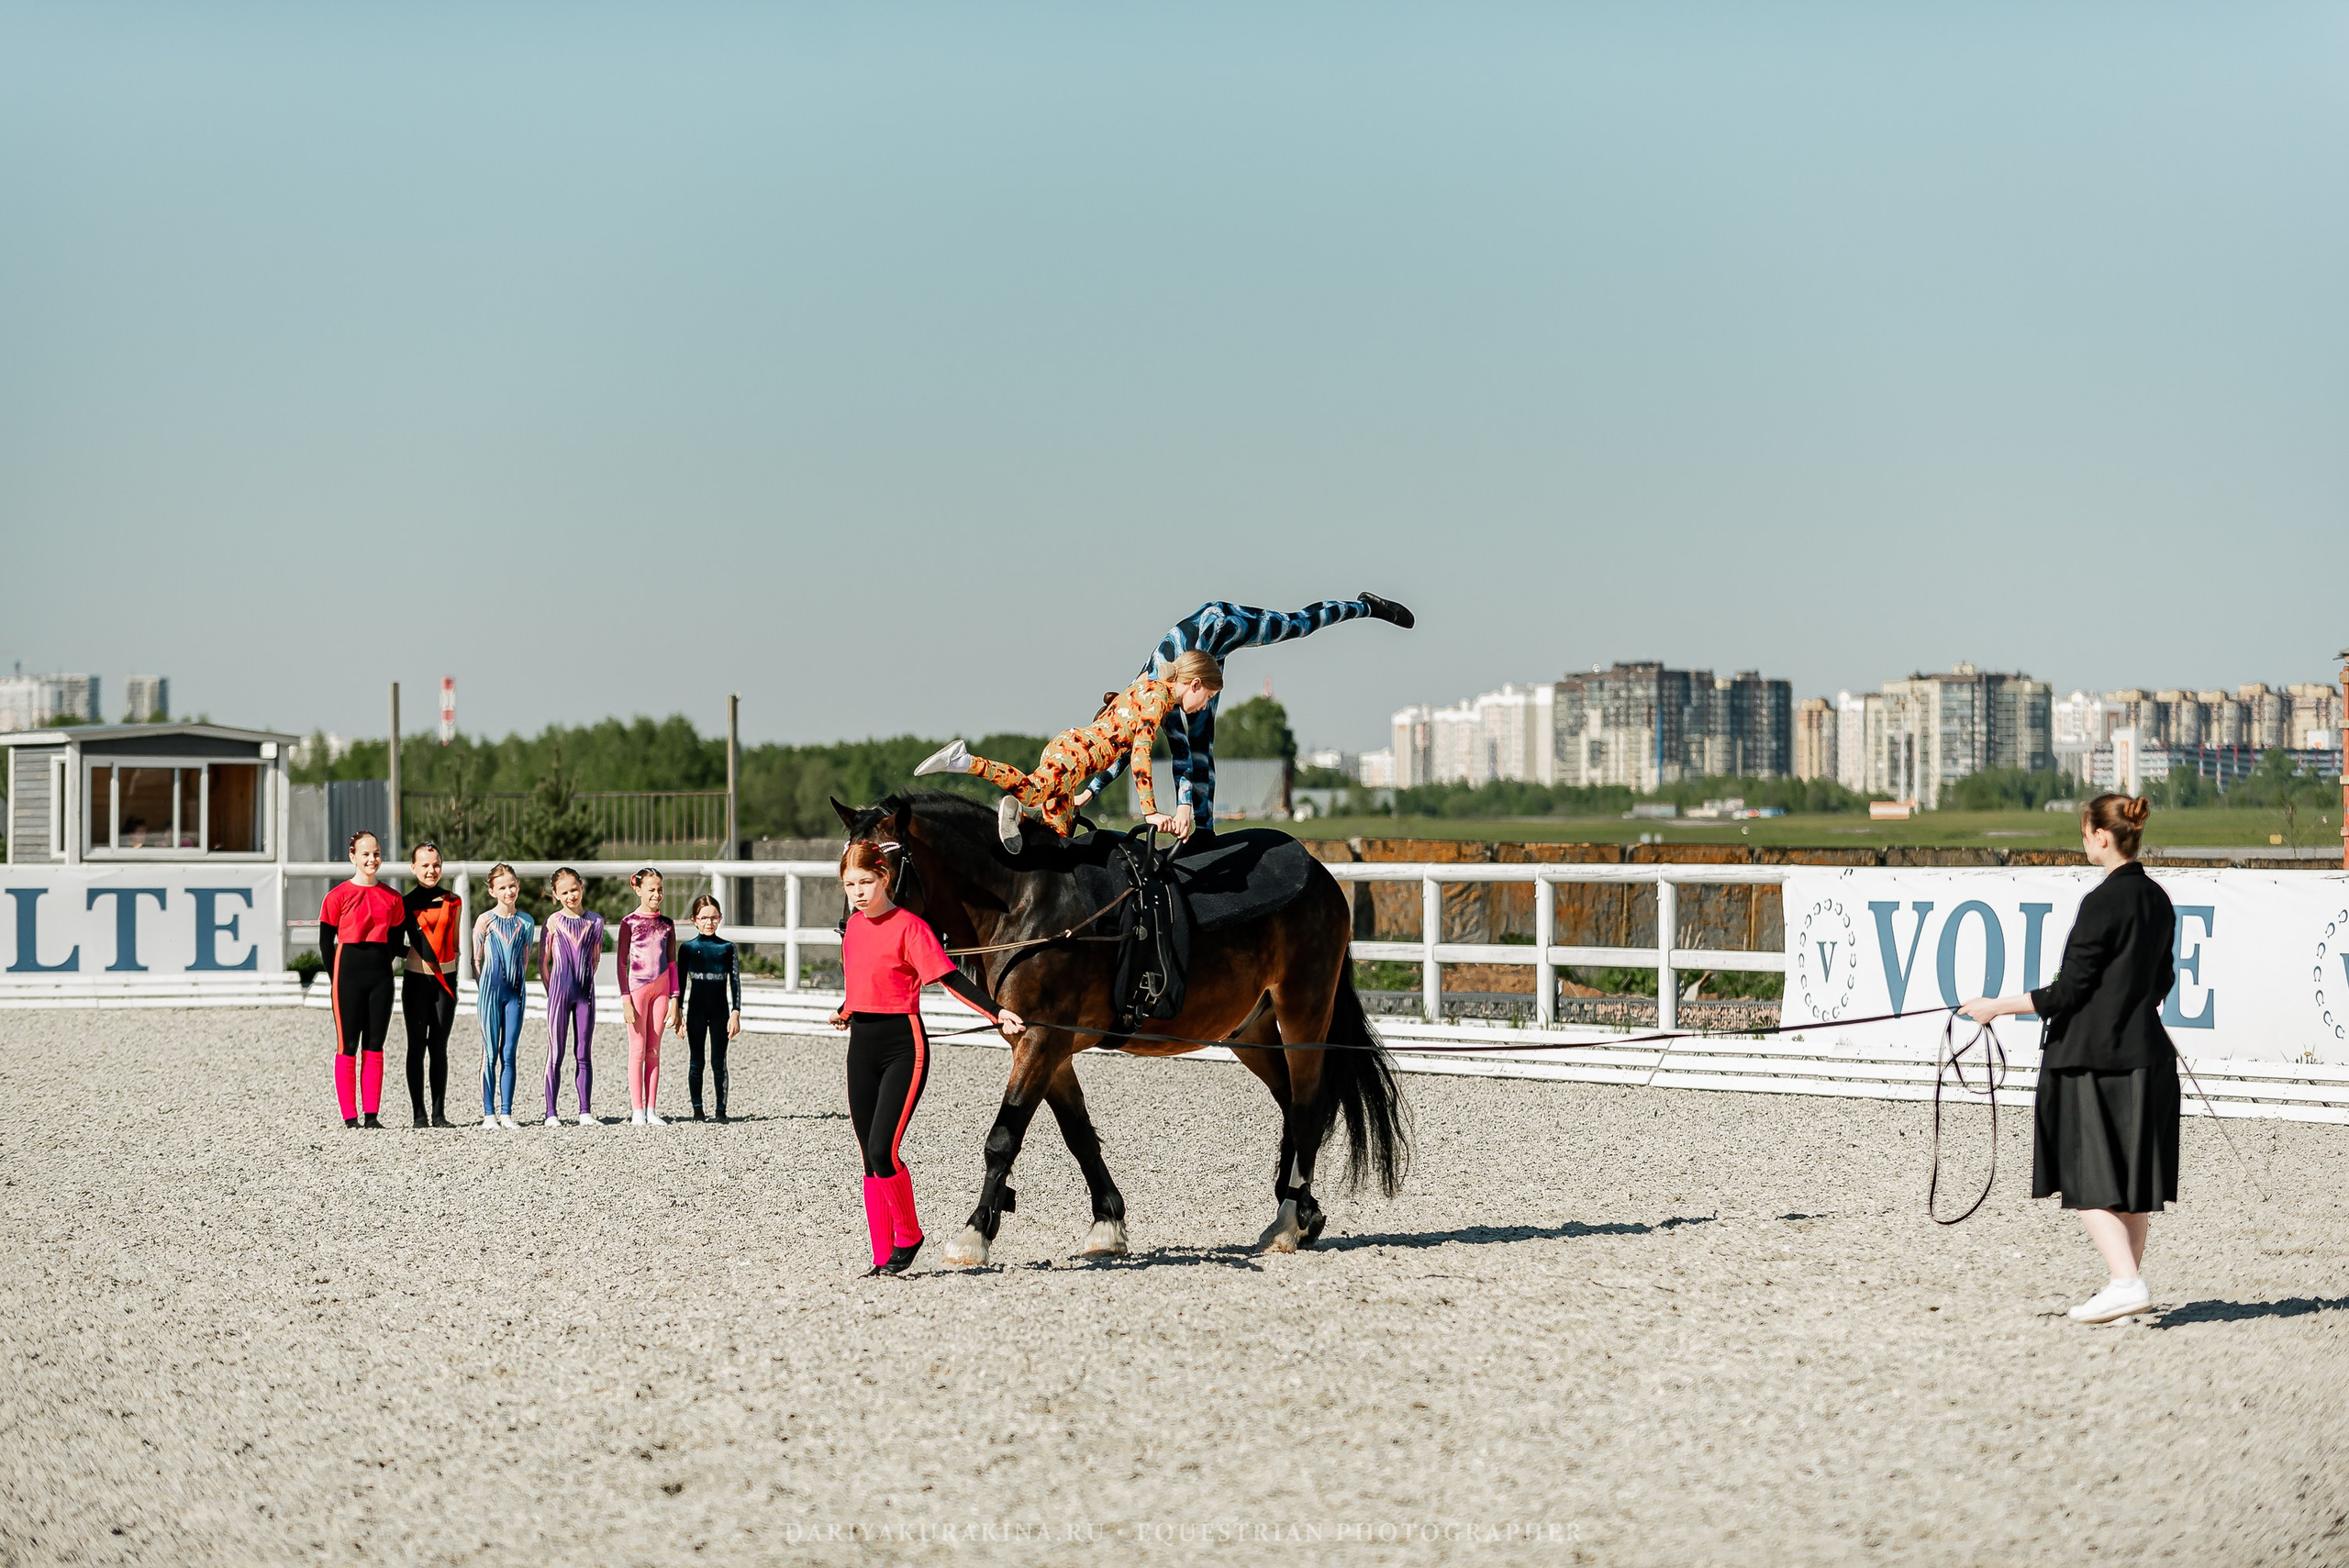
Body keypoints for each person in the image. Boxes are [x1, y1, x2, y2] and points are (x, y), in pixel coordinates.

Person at [1962, 794, 2178, 1325]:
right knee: (2132, 1184)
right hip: (2147, 1057)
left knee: (2086, 1178)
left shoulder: (2101, 901)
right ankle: (2124, 1286)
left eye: (2084, 833)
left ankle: (2126, 1283)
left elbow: (2067, 992)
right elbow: (2161, 982)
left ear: (2101, 836)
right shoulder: (2158, 899)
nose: (2084, 841)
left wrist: (1996, 1006)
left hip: (2091, 1060)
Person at [831, 841, 1024, 1275]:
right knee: (867, 1154)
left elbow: (950, 978)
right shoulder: (854, 928)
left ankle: (910, 1234)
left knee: (884, 1149)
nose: (858, 892)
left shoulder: (910, 927)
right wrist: (846, 1011)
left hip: (904, 1046)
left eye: (865, 882)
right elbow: (862, 978)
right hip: (861, 1045)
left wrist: (997, 1013)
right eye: (849, 885)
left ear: (885, 878)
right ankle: (882, 1259)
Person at [1072, 593, 1413, 837]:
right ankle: (1203, 834)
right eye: (1204, 699)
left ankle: (1366, 606)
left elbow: (1180, 755)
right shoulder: (1148, 698)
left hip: (1223, 624)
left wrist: (1183, 809)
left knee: (1300, 625)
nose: (1205, 706)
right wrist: (1089, 793)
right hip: (1197, 660)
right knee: (1200, 741)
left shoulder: (1169, 695)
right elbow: (1127, 746)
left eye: (1205, 700)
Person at [914, 651, 1222, 851]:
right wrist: (1151, 812)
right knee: (1032, 791)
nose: (1205, 706)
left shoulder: (1148, 687)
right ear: (1194, 684)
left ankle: (1020, 821)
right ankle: (965, 760)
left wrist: (1089, 793)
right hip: (1076, 756)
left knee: (1057, 842)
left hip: (1071, 752)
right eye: (1207, 697)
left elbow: (1123, 752)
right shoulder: (1157, 698)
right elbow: (1141, 752)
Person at [318, 829, 426, 1129]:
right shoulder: (337, 897)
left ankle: (372, 1116)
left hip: (381, 976)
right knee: (348, 1044)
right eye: (365, 854)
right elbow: (326, 943)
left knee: (375, 1044)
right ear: (352, 856)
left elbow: (395, 943)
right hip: (347, 975)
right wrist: (334, 978)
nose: (372, 859)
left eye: (376, 853)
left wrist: (425, 955)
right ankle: (350, 1118)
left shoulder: (392, 898)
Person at [400, 841, 463, 1129]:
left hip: (445, 983)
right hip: (415, 981)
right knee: (416, 1047)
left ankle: (439, 1114)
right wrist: (414, 955)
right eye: (424, 865)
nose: (431, 870)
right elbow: (393, 942)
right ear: (413, 868)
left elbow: (455, 944)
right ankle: (419, 1115)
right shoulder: (404, 903)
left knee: (439, 1046)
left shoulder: (454, 900)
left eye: (436, 864)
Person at [540, 867, 606, 1128]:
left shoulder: (595, 922)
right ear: (555, 895)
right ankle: (551, 1113)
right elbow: (543, 962)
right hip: (559, 992)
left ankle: (584, 1111)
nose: (571, 896)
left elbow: (595, 958)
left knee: (583, 1052)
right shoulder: (553, 922)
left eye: (574, 889)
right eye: (564, 892)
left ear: (582, 887)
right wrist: (552, 990)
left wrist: (584, 980)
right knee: (556, 1052)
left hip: (584, 994)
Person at [472, 863, 535, 1130]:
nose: (508, 891)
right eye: (502, 887)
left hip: (515, 994)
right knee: (489, 1053)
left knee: (508, 1053)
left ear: (518, 886)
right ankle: (489, 1114)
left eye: (512, 886)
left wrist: (517, 986)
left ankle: (506, 1112)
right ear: (492, 891)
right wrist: (483, 989)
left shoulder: (526, 922)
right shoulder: (484, 921)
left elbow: (525, 959)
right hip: (490, 993)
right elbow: (476, 961)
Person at [617, 868, 679, 1126]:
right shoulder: (628, 923)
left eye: (660, 889)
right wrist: (626, 1000)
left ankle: (652, 1108)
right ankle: (637, 1110)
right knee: (638, 1049)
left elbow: (673, 963)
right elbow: (622, 964)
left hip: (662, 990)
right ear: (638, 889)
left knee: (654, 1050)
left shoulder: (667, 924)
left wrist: (675, 1000)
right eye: (651, 890)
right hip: (638, 989)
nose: (657, 894)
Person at [675, 894, 742, 1122]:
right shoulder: (687, 949)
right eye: (704, 918)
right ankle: (697, 1110)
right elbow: (681, 984)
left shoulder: (727, 948)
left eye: (714, 918)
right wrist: (679, 1014)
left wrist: (736, 1012)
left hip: (720, 1011)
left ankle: (721, 1110)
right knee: (696, 1061)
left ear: (720, 918)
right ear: (694, 919)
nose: (709, 922)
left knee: (718, 1062)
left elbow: (734, 982)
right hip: (695, 1010)